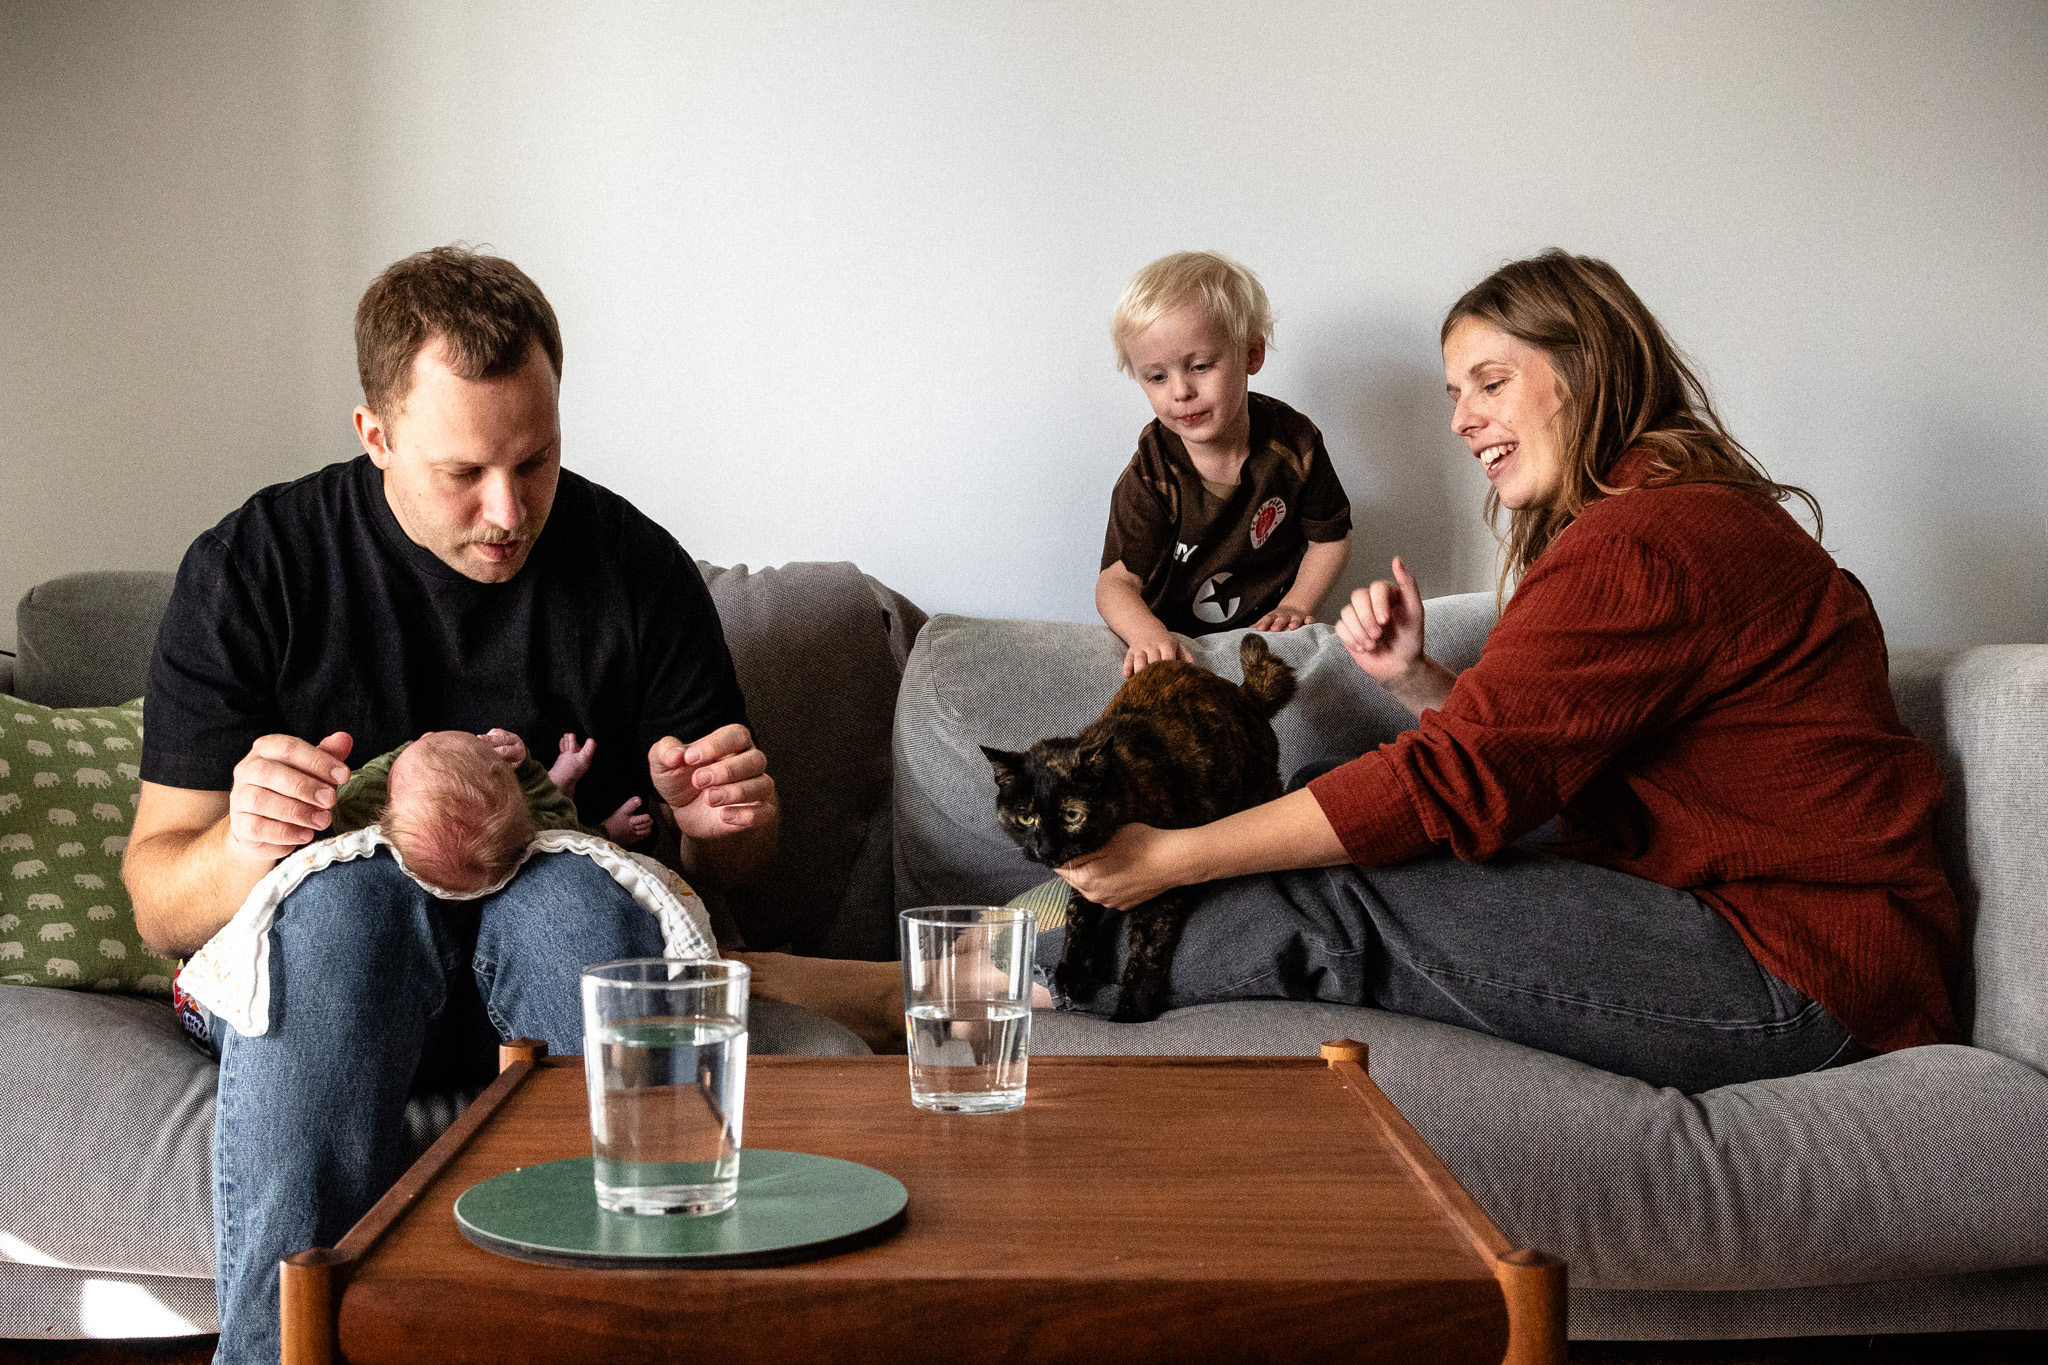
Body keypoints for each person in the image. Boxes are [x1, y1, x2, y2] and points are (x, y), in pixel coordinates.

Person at [752, 250, 1963, 1094]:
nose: (1460, 420)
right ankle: (953, 968)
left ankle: (929, 986)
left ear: (1586, 367)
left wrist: (1171, 855)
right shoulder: (1664, 522)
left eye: (1489, 382)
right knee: (1362, 810)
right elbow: (1550, 761)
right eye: (1452, 393)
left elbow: (1464, 786)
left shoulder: (1650, 541)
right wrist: (1428, 686)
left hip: (1804, 978)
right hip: (1751, 929)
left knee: (1325, 891)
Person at [123, 246, 801, 1365]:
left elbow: (725, 882)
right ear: (374, 435)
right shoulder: (254, 570)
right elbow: (159, 904)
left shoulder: (634, 568)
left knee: (577, 910)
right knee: (339, 916)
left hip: (545, 981)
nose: (509, 511)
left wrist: (730, 826)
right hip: (329, 983)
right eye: (464, 474)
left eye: (535, 460)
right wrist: (244, 845)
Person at [1095, 251, 1354, 677]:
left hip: (1262, 640)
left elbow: (1331, 537)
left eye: (1200, 366)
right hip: (1174, 642)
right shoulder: (1152, 473)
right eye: (1156, 377)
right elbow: (1114, 584)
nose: (1181, 391)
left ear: (1251, 354)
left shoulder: (1295, 441)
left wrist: (1296, 605)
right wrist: (1147, 634)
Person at [342, 728, 654, 896]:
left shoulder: (369, 803)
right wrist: (528, 770)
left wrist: (407, 754)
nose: (426, 737)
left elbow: (351, 791)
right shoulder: (525, 831)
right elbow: (562, 825)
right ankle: (606, 831)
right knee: (570, 838)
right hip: (527, 846)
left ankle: (557, 784)